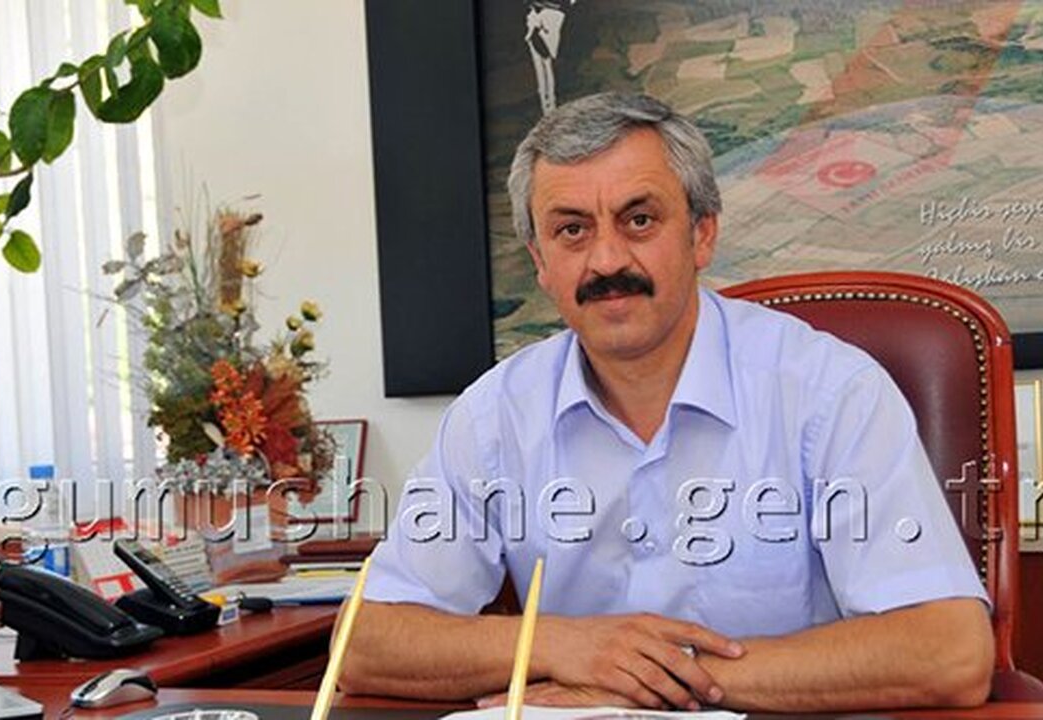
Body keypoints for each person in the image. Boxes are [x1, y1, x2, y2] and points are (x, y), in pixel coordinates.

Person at [339, 93, 993, 712]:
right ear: (540, 261)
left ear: (702, 234)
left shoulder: (828, 390)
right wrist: (560, 646)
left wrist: (655, 681)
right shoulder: (494, 416)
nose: (605, 260)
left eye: (639, 220)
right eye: (571, 230)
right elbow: (364, 641)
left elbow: (949, 650)